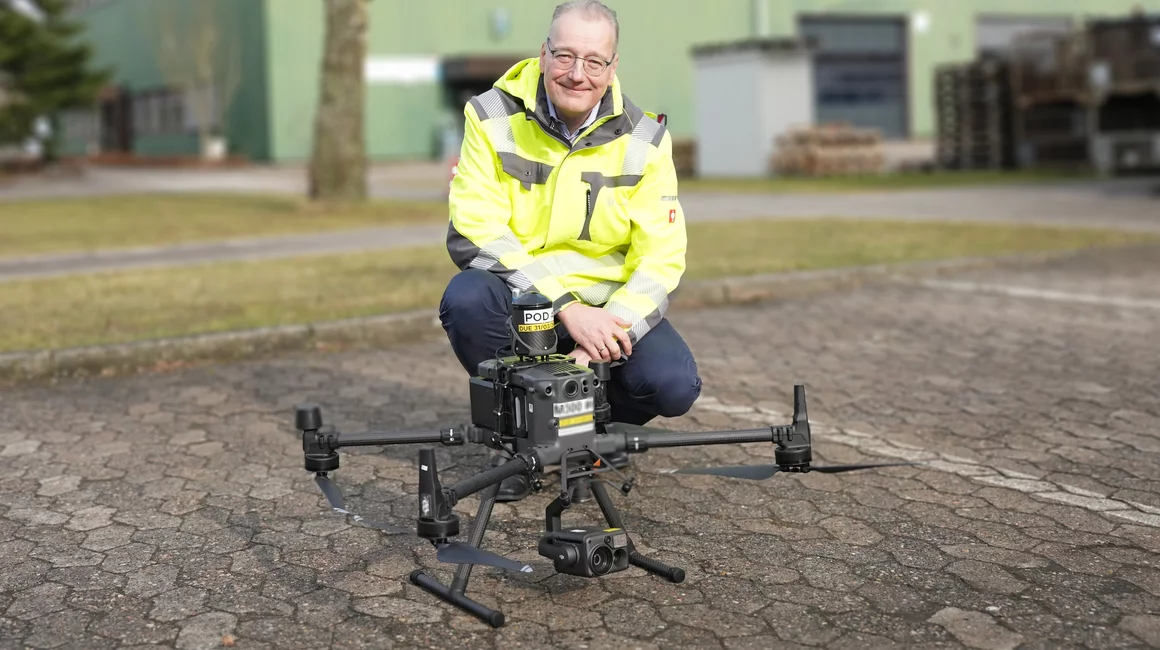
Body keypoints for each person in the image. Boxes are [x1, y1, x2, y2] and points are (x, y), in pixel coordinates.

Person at [438, 0, 701, 501]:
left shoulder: (647, 139)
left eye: (594, 60)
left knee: (672, 383)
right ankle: (518, 443)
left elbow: (661, 258)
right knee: (468, 298)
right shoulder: (489, 115)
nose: (577, 74)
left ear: (613, 66)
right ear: (543, 54)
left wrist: (606, 333)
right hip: (526, 302)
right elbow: (474, 231)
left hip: (606, 315)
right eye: (564, 56)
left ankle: (586, 437)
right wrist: (566, 307)